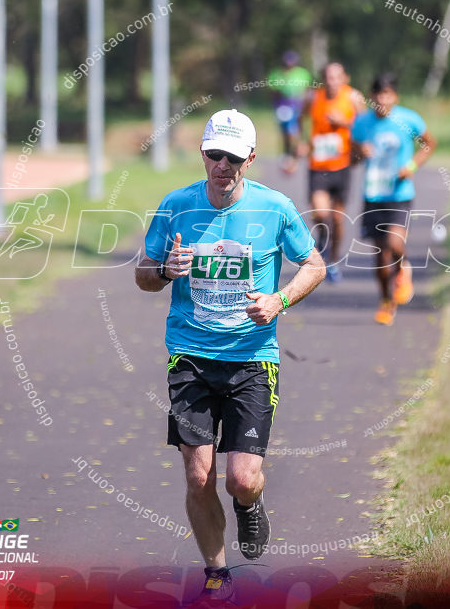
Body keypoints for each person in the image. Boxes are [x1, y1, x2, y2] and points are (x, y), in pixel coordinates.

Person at [135, 109, 325, 603]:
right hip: (191, 356)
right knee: (199, 475)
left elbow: (314, 265)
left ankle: (249, 505)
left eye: (234, 158)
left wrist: (279, 299)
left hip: (252, 359)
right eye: (215, 155)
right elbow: (143, 274)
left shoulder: (275, 207)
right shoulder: (176, 206)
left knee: (243, 479)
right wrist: (164, 271)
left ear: (251, 159)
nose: (223, 165)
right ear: (202, 153)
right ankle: (217, 572)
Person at [350, 74, 436, 325]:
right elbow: (353, 151)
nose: (382, 99)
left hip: (399, 193)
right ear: (372, 96)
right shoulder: (362, 123)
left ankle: (403, 268)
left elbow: (429, 144)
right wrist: (360, 151)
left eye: (387, 94)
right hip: (373, 193)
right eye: (377, 94)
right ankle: (386, 301)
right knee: (380, 254)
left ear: (395, 96)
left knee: (394, 244)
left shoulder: (408, 119)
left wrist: (411, 166)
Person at [297, 62, 365, 283]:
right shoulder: (313, 98)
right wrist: (301, 143)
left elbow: (365, 127)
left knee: (337, 218)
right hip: (318, 166)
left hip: (342, 165)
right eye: (328, 77)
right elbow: (300, 119)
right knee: (320, 213)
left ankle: (333, 260)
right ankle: (322, 243)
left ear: (345, 78)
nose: (332, 81)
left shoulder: (353, 98)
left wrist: (344, 122)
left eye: (336, 77)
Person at [267, 51, 313, 173]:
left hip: (298, 107)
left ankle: (295, 154)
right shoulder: (277, 74)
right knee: (285, 133)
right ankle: (287, 154)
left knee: (295, 132)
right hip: (283, 107)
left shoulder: (302, 74)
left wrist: (306, 105)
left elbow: (308, 91)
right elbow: (273, 92)